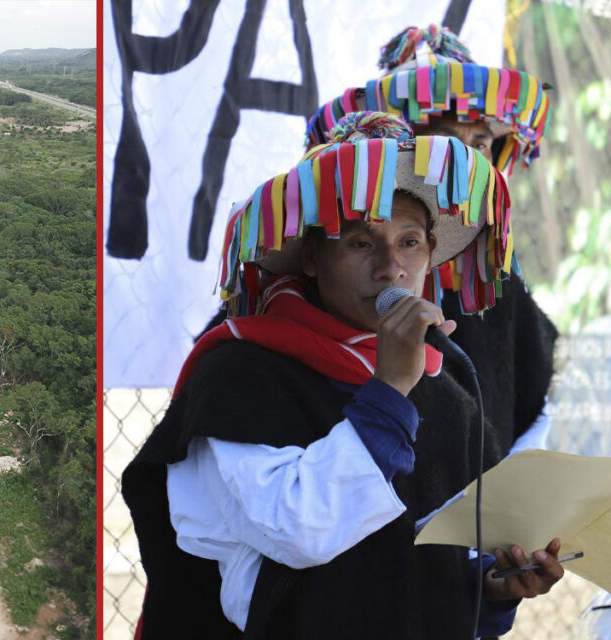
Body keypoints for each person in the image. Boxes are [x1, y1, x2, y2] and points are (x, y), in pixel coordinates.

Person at [123, 112, 565, 639]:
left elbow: (419, 569)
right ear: (312, 257)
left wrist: (489, 589)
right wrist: (390, 391)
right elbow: (298, 530)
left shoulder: (446, 392)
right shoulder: (239, 374)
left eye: (409, 242)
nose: (390, 268)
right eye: (360, 243)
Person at [303, 24, 559, 457]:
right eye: (443, 142)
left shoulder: (498, 287)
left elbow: (532, 417)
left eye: (479, 144)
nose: (463, 162)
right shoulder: (321, 284)